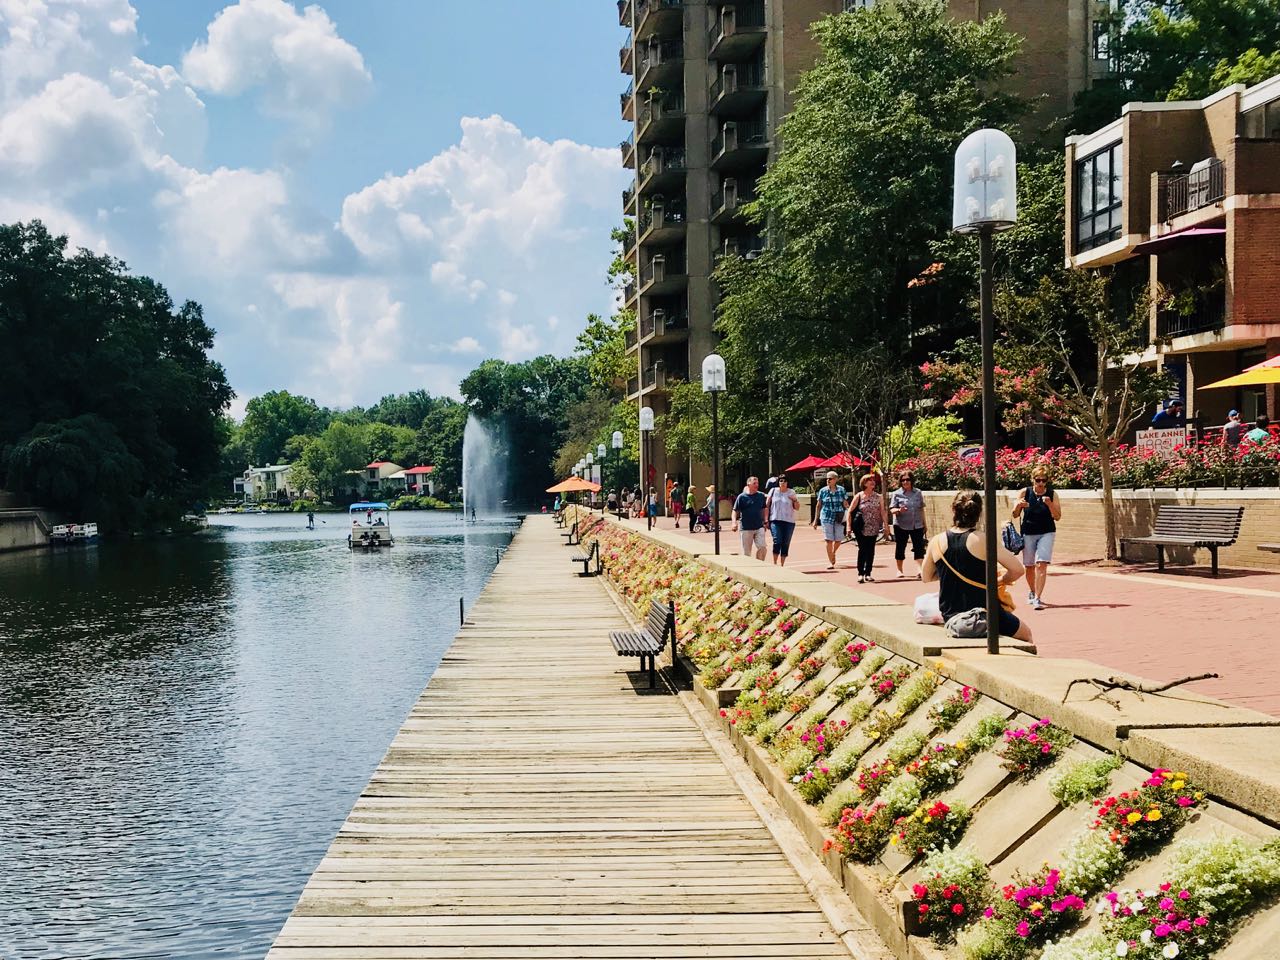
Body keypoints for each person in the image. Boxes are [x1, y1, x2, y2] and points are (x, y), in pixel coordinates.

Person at [922, 490, 1033, 643]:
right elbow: (1018, 570)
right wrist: (999, 581)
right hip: (986, 613)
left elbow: (926, 577)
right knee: (1026, 635)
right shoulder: (982, 539)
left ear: (953, 509)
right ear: (979, 513)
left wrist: (947, 573)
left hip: (952, 616)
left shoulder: (936, 541)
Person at [1012, 466, 1062, 610]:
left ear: (1047, 481)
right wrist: (1018, 506)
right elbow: (1015, 515)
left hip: (1047, 532)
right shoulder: (1024, 492)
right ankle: (1032, 591)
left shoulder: (1052, 494)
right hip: (1028, 532)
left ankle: (1038, 598)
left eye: (1043, 480)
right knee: (1029, 566)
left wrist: (1050, 504)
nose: (1040, 483)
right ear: (1032, 479)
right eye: (1037, 480)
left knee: (1041, 563)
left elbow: (1057, 517)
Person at [889, 470, 927, 579]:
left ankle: (920, 569)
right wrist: (899, 510)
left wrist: (925, 524)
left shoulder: (918, 492)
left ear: (912, 480)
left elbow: (921, 509)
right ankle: (899, 570)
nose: (905, 482)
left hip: (917, 524)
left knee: (919, 547)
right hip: (901, 525)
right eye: (903, 480)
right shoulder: (897, 494)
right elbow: (892, 509)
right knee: (901, 547)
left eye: (908, 480)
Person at [811, 470, 850, 570]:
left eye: (830, 478)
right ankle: (830, 561)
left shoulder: (841, 490)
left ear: (836, 479)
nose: (828, 480)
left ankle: (833, 553)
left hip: (839, 516)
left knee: (838, 539)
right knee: (829, 540)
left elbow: (845, 503)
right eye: (827, 478)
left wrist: (848, 511)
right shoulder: (823, 491)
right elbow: (818, 505)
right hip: (826, 516)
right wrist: (815, 520)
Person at [849, 474, 884, 583]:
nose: (872, 482)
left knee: (871, 550)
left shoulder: (879, 497)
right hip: (861, 527)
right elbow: (850, 511)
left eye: (873, 480)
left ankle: (868, 573)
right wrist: (849, 527)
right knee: (862, 549)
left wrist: (886, 526)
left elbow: (883, 511)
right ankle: (860, 573)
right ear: (864, 483)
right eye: (869, 481)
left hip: (874, 526)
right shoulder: (859, 496)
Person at [765, 474, 800, 566]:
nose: (783, 483)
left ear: (787, 483)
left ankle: (782, 564)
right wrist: (766, 520)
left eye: (785, 481)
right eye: (781, 481)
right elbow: (767, 506)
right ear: (778, 482)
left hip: (789, 521)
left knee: (785, 542)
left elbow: (797, 508)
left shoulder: (791, 492)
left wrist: (795, 500)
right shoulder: (773, 491)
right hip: (775, 520)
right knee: (777, 540)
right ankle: (774, 562)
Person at [732, 476, 768, 560]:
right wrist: (734, 522)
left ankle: (759, 563)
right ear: (748, 484)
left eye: (757, 483)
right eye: (754, 483)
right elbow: (735, 510)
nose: (757, 485)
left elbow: (764, 508)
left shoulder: (761, 496)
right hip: (746, 528)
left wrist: (766, 520)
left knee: (762, 547)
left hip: (759, 526)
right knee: (746, 553)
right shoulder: (741, 497)